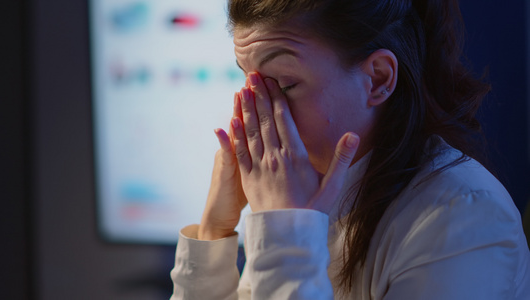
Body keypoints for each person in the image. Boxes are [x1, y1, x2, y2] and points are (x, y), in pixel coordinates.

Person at [170, 0, 530, 299]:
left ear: (378, 79)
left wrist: (286, 234)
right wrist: (215, 232)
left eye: (284, 84)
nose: (255, 111)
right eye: (247, 82)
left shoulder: (465, 219)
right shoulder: (302, 193)